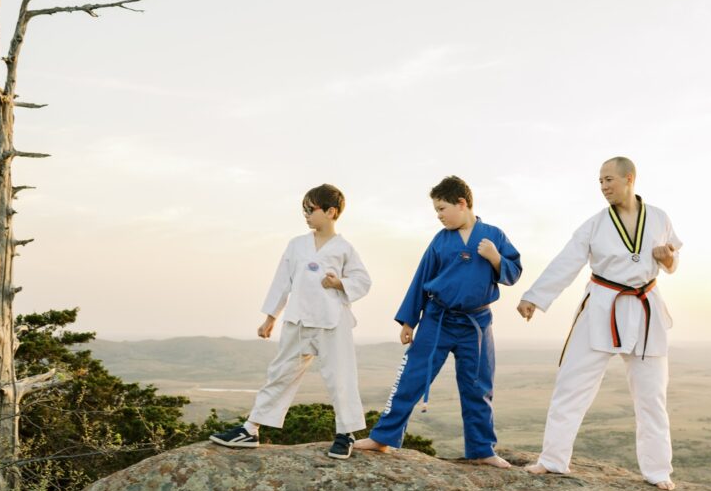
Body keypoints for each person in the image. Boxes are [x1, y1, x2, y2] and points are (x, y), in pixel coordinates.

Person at [517, 157, 682, 491]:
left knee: (652, 395)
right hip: (602, 307)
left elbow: (671, 262)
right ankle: (553, 459)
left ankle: (658, 470)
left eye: (609, 179)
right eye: (600, 182)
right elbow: (567, 260)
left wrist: (667, 259)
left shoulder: (660, 218)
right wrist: (534, 296)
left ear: (629, 178)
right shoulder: (594, 224)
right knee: (572, 384)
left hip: (645, 308)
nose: (604, 187)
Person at [353, 175, 523, 467]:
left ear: (462, 202)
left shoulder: (494, 235)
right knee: (411, 378)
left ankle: (482, 450)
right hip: (437, 318)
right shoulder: (440, 241)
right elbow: (421, 277)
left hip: (477, 324)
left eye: (442, 209)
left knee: (478, 387)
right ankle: (383, 438)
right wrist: (409, 321)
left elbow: (513, 272)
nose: (439, 216)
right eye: (436, 211)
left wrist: (495, 258)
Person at [209, 184, 372, 460]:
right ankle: (250, 429)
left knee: (341, 377)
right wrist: (270, 317)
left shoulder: (344, 248)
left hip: (333, 323)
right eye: (304, 210)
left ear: (331, 212)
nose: (306, 215)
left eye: (311, 209)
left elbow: (363, 281)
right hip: (297, 320)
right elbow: (282, 281)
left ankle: (345, 434)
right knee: (280, 373)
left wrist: (339, 283)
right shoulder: (296, 245)